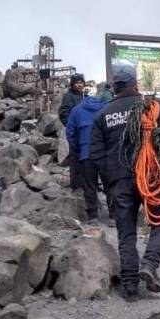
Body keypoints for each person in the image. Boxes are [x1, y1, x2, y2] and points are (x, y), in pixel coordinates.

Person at [90, 66, 160, 300]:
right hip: (151, 177)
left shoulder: (103, 116)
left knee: (126, 231)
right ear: (135, 85)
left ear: (115, 88)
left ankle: (130, 288)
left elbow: (96, 155)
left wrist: (109, 182)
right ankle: (149, 265)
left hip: (119, 181)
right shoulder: (152, 108)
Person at [65, 93, 107, 222]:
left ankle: (93, 215)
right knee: (109, 184)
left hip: (86, 153)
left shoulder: (76, 110)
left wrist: (77, 148)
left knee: (89, 185)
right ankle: (113, 216)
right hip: (104, 153)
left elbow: (70, 132)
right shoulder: (106, 108)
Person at [58, 73, 86, 189]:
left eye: (81, 82)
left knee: (84, 157)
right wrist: (72, 127)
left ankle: (84, 183)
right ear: (72, 84)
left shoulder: (83, 95)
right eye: (77, 83)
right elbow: (63, 113)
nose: (79, 85)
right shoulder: (68, 97)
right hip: (75, 132)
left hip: (84, 132)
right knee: (75, 158)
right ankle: (75, 185)